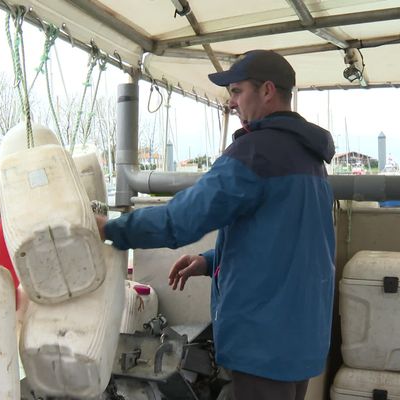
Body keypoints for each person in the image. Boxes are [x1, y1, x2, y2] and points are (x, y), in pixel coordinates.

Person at [96, 49, 335, 400]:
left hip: (262, 343)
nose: (232, 102)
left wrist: (110, 229)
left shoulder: (256, 153)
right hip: (301, 337)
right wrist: (209, 261)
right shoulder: (310, 157)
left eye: (237, 92)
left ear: (267, 90)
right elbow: (286, 239)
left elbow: (181, 220)